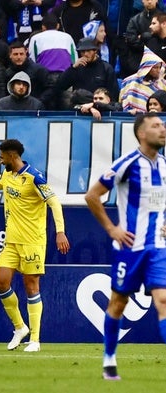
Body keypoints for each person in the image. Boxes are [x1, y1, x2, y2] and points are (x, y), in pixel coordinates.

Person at [84, 112, 166, 380]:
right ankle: (109, 359)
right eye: (156, 126)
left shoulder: (164, 165)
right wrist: (112, 229)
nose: (162, 129)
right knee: (118, 302)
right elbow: (92, 195)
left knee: (163, 299)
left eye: (163, 125)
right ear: (142, 134)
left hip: (158, 247)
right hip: (130, 247)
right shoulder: (127, 163)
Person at [0, 139, 70, 352]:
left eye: (2, 155)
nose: (0, 159)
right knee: (1, 283)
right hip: (11, 242)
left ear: (12, 155)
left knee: (31, 286)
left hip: (33, 241)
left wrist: (60, 232)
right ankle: (19, 327)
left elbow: (54, 202)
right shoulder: (6, 175)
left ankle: (35, 339)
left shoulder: (34, 177)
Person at [55, 37, 118, 110]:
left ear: (95, 50)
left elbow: (113, 95)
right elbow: (59, 86)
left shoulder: (106, 68)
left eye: (88, 51)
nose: (85, 54)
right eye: (82, 51)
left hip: (100, 109)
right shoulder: (76, 68)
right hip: (79, 108)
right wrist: (72, 68)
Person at [119, 47, 166, 115]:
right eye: (155, 67)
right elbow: (122, 103)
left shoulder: (162, 84)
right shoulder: (129, 81)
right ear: (147, 67)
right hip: (130, 119)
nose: (158, 71)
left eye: (160, 67)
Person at [5, 41, 52, 108]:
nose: (19, 57)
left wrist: (38, 102)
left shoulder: (39, 70)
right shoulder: (8, 73)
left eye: (21, 54)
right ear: (10, 55)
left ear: (26, 54)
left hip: (36, 109)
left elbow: (50, 89)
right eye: (15, 54)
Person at [121, 0, 161, 78]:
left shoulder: (163, 19)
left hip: (160, 62)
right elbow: (130, 39)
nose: (149, 2)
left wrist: (143, 36)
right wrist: (149, 46)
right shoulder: (135, 20)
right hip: (138, 63)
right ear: (142, 1)